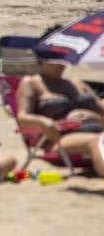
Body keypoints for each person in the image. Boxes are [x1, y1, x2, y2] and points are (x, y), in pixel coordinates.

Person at [15, 39, 104, 176]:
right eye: (55, 57)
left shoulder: (77, 84)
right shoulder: (32, 83)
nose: (60, 62)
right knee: (97, 141)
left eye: (63, 57)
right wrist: (44, 122)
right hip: (60, 140)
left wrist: (93, 116)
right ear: (42, 57)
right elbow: (22, 116)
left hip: (99, 130)